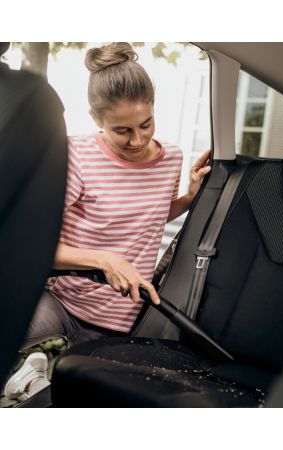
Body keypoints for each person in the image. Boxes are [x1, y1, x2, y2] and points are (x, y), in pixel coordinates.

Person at [3, 42, 211, 401]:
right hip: (60, 299)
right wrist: (104, 259)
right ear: (97, 119)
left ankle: (34, 379)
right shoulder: (77, 156)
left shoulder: (171, 159)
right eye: (122, 130)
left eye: (145, 124)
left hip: (118, 318)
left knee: (79, 399)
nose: (138, 139)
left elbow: (143, 217)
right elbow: (32, 244)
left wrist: (188, 199)